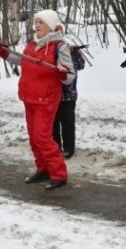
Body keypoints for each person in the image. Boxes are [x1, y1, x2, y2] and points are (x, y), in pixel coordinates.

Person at [0, 10, 74, 190]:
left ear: (51, 26)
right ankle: (43, 169)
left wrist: (62, 72)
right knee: (33, 138)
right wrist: (4, 53)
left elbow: (70, 76)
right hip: (29, 97)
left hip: (46, 99)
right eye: (36, 21)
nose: (36, 25)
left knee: (42, 137)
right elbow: (21, 60)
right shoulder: (32, 44)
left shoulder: (59, 46)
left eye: (41, 22)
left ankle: (59, 173)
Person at [53, 27, 87, 160]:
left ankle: (69, 149)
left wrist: (76, 52)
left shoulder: (68, 49)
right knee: (53, 123)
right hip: (53, 94)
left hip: (69, 94)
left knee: (68, 123)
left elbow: (80, 65)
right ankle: (55, 148)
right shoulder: (51, 50)